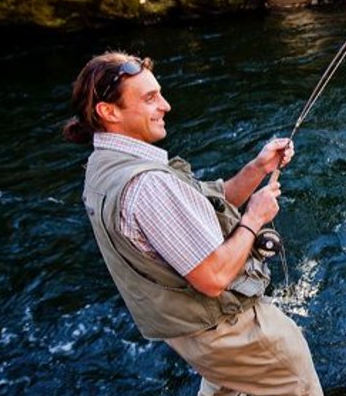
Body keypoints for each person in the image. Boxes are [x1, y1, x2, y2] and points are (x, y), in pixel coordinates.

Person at [63, 51, 323, 396]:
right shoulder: (148, 184)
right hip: (231, 333)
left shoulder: (103, 166)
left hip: (197, 338)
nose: (166, 106)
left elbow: (210, 204)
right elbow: (212, 278)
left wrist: (257, 168)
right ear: (108, 112)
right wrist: (254, 219)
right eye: (150, 98)